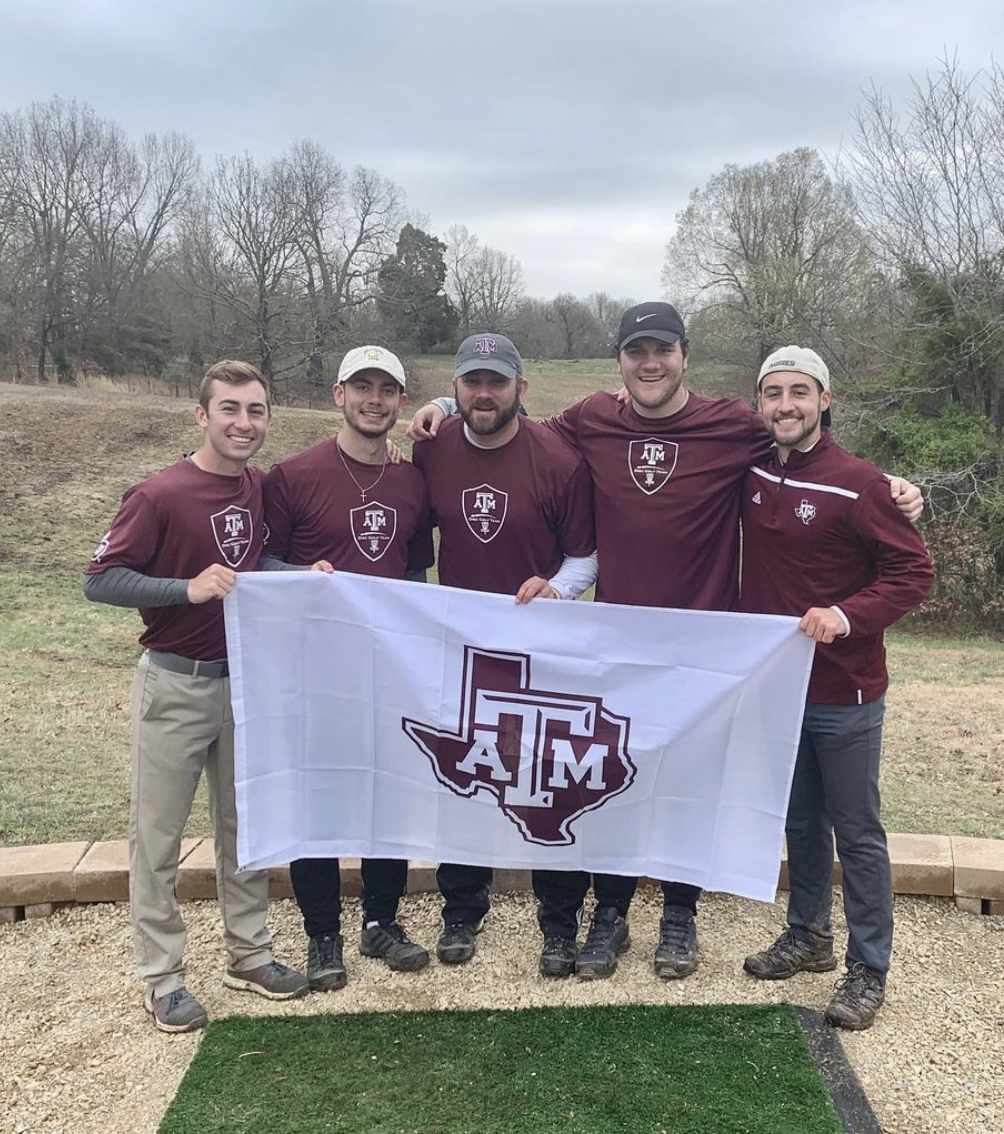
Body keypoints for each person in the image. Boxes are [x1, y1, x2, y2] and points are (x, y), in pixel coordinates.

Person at [408, 302, 923, 983]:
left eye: (662, 350)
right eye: (635, 351)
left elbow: (819, 459)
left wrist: (899, 489)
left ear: (685, 355)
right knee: (613, 781)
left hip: (705, 645)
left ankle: (680, 917)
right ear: (619, 361)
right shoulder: (591, 417)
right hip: (618, 645)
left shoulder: (734, 426)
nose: (649, 363)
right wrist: (445, 401)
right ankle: (611, 917)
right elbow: (508, 420)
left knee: (689, 787)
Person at [83, 360, 308, 1034]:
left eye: (257, 411)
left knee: (244, 825)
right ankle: (162, 979)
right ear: (201, 415)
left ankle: (250, 954)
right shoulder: (158, 494)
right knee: (157, 836)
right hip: (174, 683)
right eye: (231, 409)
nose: (245, 423)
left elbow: (251, 566)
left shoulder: (258, 488)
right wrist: (185, 588)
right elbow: (101, 580)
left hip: (243, 682)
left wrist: (303, 576)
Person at [739, 346, 933, 1030]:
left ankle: (868, 969)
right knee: (800, 823)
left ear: (825, 399)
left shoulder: (861, 483)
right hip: (779, 689)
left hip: (845, 692)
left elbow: (913, 575)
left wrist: (846, 616)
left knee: (857, 833)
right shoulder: (754, 465)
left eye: (799, 392)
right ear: (759, 402)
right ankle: (809, 936)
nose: (785, 405)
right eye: (773, 393)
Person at [411, 332, 597, 972]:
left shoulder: (558, 459)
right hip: (462, 645)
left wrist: (557, 588)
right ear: (456, 386)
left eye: (496, 381)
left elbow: (585, 554)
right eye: (471, 382)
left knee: (548, 780)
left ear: (522, 387)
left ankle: (559, 920)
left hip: (541, 646)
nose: (483, 393)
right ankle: (462, 911)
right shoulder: (431, 449)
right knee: (463, 775)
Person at [261, 345, 434, 990]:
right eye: (362, 387)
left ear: (398, 400)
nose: (374, 401)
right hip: (313, 668)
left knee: (386, 796)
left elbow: (414, 574)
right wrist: (304, 577)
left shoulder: (410, 480)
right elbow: (259, 567)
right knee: (320, 799)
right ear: (339, 395)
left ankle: (381, 922)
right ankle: (323, 935)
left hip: (386, 667)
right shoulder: (292, 476)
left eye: (387, 390)